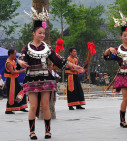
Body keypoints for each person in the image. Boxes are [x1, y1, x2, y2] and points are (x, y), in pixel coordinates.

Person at [19, 8, 84, 140]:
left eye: (43, 33)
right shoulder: (27, 48)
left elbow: (59, 60)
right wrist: (20, 62)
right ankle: (32, 132)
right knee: (33, 106)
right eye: (39, 33)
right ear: (33, 33)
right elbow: (21, 59)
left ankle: (48, 131)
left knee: (45, 105)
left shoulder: (47, 48)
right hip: (32, 79)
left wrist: (74, 66)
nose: (42, 35)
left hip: (45, 79)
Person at [4, 49, 28, 114]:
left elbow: (16, 69)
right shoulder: (8, 63)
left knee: (21, 91)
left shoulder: (13, 61)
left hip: (14, 79)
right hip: (10, 80)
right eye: (14, 54)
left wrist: (21, 65)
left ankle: (21, 106)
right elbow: (13, 72)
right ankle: (8, 109)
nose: (15, 55)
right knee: (11, 94)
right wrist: (23, 71)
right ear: (11, 54)